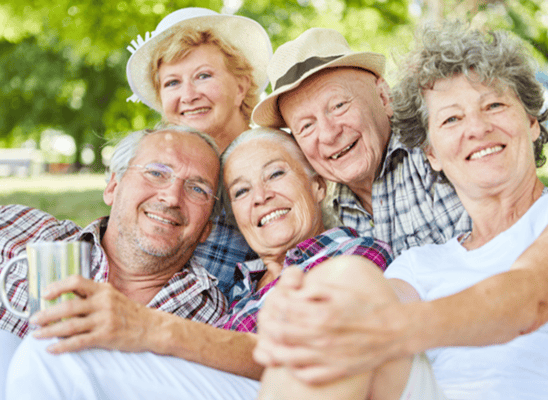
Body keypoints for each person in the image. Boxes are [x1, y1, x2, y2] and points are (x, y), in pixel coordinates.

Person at [255, 23, 548, 399]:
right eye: (451, 119)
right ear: (432, 153)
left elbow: (527, 298)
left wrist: (384, 329)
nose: (476, 127)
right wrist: (301, 314)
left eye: (494, 105)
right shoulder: (418, 262)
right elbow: (357, 300)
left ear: (532, 123)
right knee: (342, 281)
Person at [6, 128, 392, 400]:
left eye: (276, 173)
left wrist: (147, 326)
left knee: (51, 349)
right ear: (113, 185)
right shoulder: (239, 288)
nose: (261, 197)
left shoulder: (350, 254)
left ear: (318, 186)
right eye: (241, 190)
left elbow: (322, 349)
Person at [0, 124, 225, 396]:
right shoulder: (20, 232)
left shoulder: (212, 319)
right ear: (113, 187)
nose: (171, 197)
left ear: (207, 229)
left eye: (198, 189)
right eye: (156, 173)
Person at [126, 7, 273, 300]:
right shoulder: (155, 170)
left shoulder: (273, 161)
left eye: (203, 76)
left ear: (241, 86)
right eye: (172, 83)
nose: (188, 95)